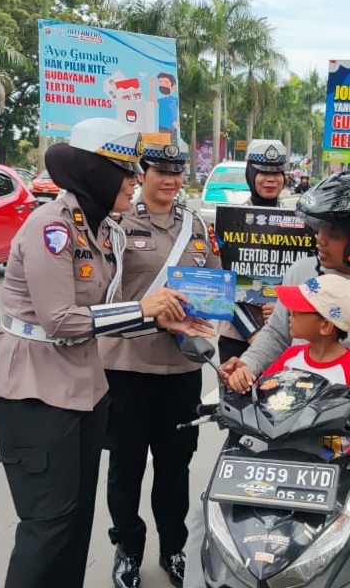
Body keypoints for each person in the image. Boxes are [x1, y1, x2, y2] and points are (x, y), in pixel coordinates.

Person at [186, 171, 350, 588]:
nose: (320, 238)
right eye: (320, 227)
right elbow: (275, 333)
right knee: (208, 514)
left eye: (335, 231)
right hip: (288, 423)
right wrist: (248, 365)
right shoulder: (304, 270)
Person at [0, 117, 213, 588]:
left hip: (85, 386)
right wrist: (146, 308)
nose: (135, 181)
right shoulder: (53, 227)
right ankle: (127, 546)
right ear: (97, 174)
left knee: (75, 520)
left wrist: (157, 317)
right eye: (128, 172)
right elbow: (61, 321)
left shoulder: (104, 232)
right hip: (36, 386)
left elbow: (108, 310)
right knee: (49, 523)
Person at [99, 135, 220, 588]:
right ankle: (127, 547)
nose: (170, 180)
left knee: (175, 467)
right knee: (125, 467)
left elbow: (211, 286)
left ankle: (175, 549)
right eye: (160, 171)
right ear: (141, 175)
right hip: (127, 365)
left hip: (181, 368)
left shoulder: (197, 227)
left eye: (176, 172)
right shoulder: (116, 224)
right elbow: (103, 293)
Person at [226, 273, 350, 459]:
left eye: (298, 309)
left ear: (325, 326)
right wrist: (241, 380)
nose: (289, 313)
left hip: (329, 472)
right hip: (280, 458)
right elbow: (262, 395)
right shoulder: (290, 357)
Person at [217, 138, 287, 363]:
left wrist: (282, 308)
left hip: (284, 334)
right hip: (236, 336)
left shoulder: (300, 224)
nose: (270, 179)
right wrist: (252, 332)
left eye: (277, 173)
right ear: (250, 174)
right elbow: (222, 282)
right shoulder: (230, 222)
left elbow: (307, 281)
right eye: (262, 172)